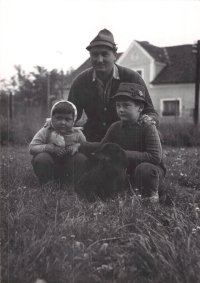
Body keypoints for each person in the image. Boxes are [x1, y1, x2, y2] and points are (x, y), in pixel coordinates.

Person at [78, 83, 166, 202]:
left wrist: (122, 154)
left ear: (140, 108)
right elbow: (102, 147)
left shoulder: (148, 127)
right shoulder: (115, 127)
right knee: (105, 168)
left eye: (126, 106)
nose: (121, 110)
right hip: (126, 169)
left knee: (144, 169)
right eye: (118, 106)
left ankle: (152, 193)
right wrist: (80, 144)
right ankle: (122, 192)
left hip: (149, 169)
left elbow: (155, 157)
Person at [68, 29, 159, 142]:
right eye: (94, 54)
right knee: (77, 159)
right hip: (92, 138)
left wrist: (148, 120)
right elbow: (71, 114)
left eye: (105, 54)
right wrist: (56, 121)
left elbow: (150, 112)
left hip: (126, 138)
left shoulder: (132, 78)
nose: (99, 59)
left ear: (115, 55)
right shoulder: (81, 81)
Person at [29, 100, 88, 185]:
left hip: (69, 167)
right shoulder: (46, 131)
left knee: (81, 158)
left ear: (73, 121)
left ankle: (72, 184)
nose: (62, 122)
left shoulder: (78, 133)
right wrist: (50, 148)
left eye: (67, 119)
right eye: (59, 118)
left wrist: (78, 145)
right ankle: (47, 183)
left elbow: (86, 147)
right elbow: (31, 148)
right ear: (51, 119)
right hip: (51, 167)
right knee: (42, 158)